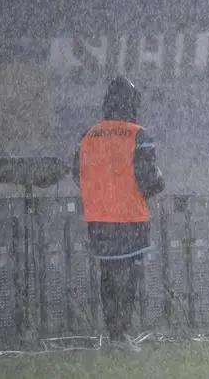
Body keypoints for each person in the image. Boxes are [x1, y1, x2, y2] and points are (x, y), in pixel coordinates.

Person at [73, 76, 165, 352]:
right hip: (130, 218)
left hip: (99, 219)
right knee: (130, 277)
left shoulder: (88, 135)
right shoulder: (138, 134)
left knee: (109, 275)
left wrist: (102, 190)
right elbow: (149, 180)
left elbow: (77, 173)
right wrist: (159, 181)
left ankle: (113, 336)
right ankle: (122, 334)